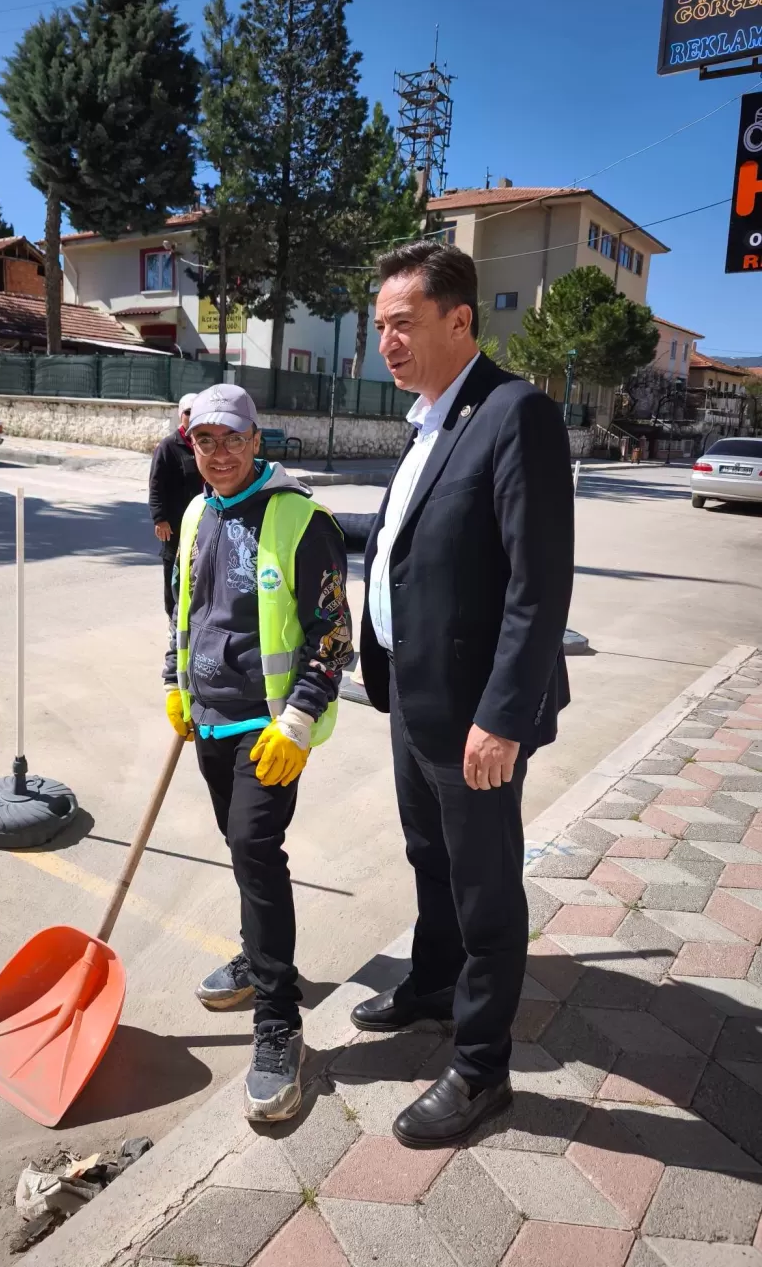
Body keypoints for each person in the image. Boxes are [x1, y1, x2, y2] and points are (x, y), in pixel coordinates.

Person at [353, 242, 574, 1147]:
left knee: (486, 887)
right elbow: (412, 541)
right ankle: (434, 983)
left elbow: (538, 585)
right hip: (414, 695)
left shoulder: (514, 414)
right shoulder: (426, 419)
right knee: (427, 855)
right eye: (379, 329)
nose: (387, 344)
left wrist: (502, 716)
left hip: (477, 712)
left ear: (459, 320)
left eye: (402, 324)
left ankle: (482, 1070)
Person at [163, 383, 352, 1123]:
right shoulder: (195, 513)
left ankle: (278, 1022)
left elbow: (333, 637)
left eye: (231, 438)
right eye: (204, 441)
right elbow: (183, 609)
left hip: (267, 731)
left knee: (254, 846)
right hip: (207, 720)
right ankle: (257, 950)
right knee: (241, 851)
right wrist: (173, 682)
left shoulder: (301, 520)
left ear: (256, 438)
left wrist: (300, 719)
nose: (218, 453)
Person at [149, 394, 202, 615]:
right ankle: (173, 617)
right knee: (173, 569)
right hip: (176, 524)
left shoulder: (203, 442)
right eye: (188, 412)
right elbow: (156, 483)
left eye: (196, 411)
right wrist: (160, 518)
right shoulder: (169, 446)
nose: (192, 416)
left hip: (202, 521)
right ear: (180, 415)